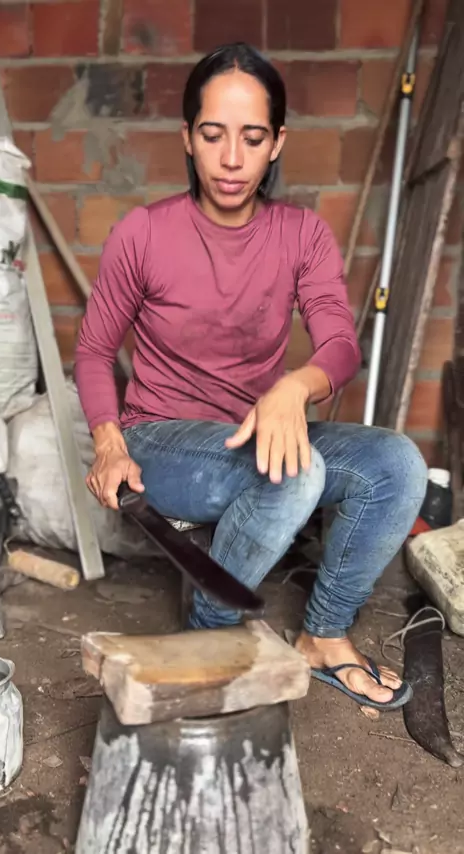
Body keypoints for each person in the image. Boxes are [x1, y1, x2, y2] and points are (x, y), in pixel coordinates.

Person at [75, 42, 428, 712]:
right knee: (295, 472)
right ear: (187, 137)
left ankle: (323, 634)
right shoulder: (142, 234)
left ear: (277, 143)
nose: (232, 158)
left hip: (256, 431)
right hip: (162, 440)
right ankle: (210, 637)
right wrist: (109, 443)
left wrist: (294, 388)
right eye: (213, 135)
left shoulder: (302, 234)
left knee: (397, 465)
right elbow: (94, 351)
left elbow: (340, 344)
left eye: (253, 137)